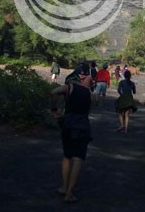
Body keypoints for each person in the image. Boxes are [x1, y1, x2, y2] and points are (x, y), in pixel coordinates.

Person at [51, 65, 92, 204]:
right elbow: (94, 104)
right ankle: (69, 193)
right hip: (82, 126)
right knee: (78, 158)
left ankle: (64, 187)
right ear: (85, 76)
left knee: (67, 156)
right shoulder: (90, 93)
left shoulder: (69, 87)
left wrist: (54, 109)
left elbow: (54, 92)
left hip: (68, 124)